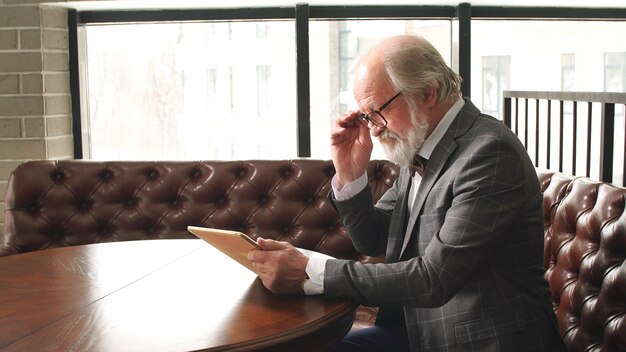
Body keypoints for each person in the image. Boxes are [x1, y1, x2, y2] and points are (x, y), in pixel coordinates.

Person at [247, 35, 566, 352]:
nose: (373, 128)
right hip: (416, 331)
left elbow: (433, 279)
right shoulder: (422, 142)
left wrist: (310, 271)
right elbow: (374, 240)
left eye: (377, 111)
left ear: (428, 92)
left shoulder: (490, 153)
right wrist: (350, 175)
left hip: (480, 341)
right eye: (365, 116)